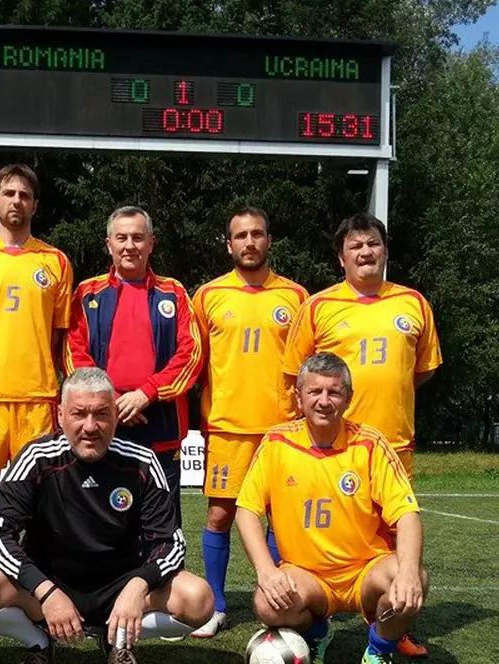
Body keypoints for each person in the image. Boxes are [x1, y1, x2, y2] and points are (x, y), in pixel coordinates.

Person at [0, 368, 213, 664]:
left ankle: (117, 637)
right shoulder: (36, 458)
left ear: (116, 416)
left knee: (198, 598)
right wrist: (46, 591)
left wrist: (138, 585)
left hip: (121, 586)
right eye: (79, 414)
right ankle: (39, 642)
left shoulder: (141, 461)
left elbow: (170, 543)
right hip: (47, 585)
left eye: (102, 414)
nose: (90, 426)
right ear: (60, 415)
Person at [280, 213, 439, 656]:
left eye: (373, 244)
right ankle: (316, 615)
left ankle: (390, 628)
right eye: (356, 246)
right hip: (334, 446)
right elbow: (295, 375)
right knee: (318, 531)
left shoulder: (413, 303)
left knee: (397, 539)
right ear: (341, 257)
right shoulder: (318, 306)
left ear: (385, 250)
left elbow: (420, 371)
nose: (365, 252)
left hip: (395, 444)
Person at [236, 353, 427, 664]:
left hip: (367, 571)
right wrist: (266, 571)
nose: (324, 401)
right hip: (307, 575)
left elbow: (407, 515)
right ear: (299, 397)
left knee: (413, 576)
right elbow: (246, 510)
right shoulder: (276, 442)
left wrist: (407, 573)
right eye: (315, 391)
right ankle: (317, 632)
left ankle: (378, 650)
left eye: (334, 392)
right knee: (266, 604)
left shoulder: (371, 444)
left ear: (348, 399)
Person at [189, 206, 308, 637]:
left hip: (282, 429)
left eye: (257, 234)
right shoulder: (208, 296)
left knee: (281, 521)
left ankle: (276, 603)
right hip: (228, 427)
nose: (249, 242)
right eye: (241, 235)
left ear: (269, 241)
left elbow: (306, 365)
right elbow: (195, 363)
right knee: (220, 515)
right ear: (229, 245)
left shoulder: (296, 296)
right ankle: (216, 607)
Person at [64, 206, 203, 518]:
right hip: (100, 428)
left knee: (162, 525)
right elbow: (74, 355)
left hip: (161, 430)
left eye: (138, 238)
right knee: (100, 524)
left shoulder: (174, 292)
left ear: (151, 243)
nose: (129, 246)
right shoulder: (87, 293)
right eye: (122, 238)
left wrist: (145, 394)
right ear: (109, 244)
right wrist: (110, 401)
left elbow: (191, 355)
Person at [0, 164, 72, 480]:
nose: (16, 200)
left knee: (38, 493)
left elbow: (57, 334)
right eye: (9, 193)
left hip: (37, 397)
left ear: (34, 205)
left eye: (24, 195)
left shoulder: (56, 261)